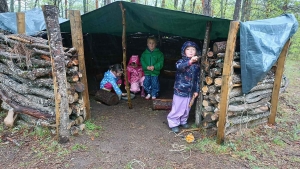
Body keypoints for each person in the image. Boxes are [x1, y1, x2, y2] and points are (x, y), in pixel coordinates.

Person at [167, 41, 201, 133]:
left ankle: (183, 121)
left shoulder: (197, 65)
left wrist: (196, 90)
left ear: (196, 52)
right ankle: (173, 123)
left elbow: (197, 78)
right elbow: (179, 67)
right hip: (180, 89)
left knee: (187, 107)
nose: (190, 51)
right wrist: (190, 62)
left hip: (190, 91)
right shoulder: (181, 61)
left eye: (193, 49)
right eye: (188, 49)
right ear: (184, 51)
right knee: (177, 107)